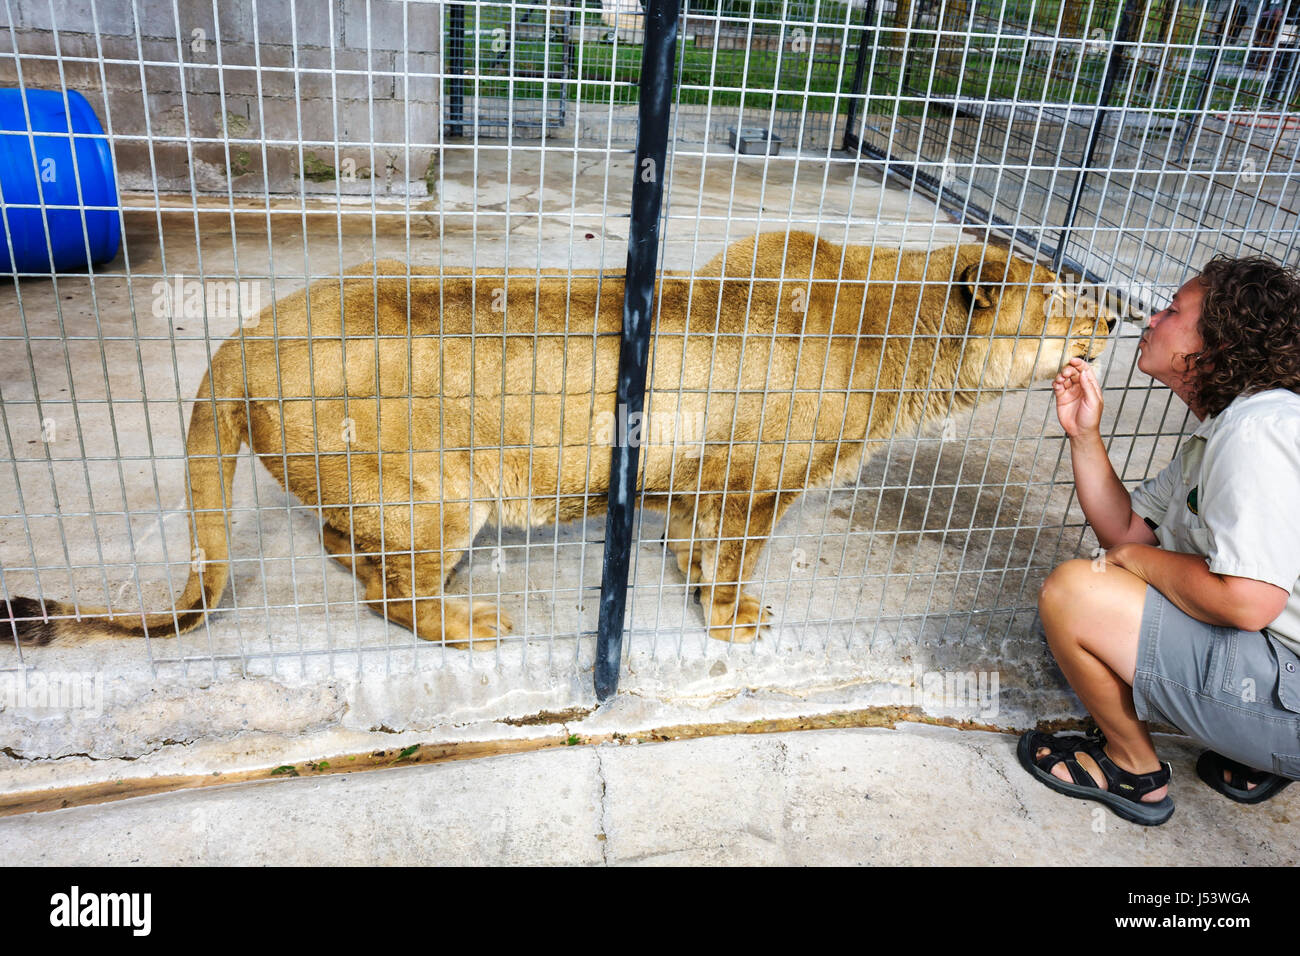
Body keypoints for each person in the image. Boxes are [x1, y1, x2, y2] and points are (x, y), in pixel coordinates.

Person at [1019, 253, 1300, 826]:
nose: (1151, 318)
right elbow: (1126, 528)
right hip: (1284, 677)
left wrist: (1136, 561)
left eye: (1173, 311)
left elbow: (1248, 600)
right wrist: (1084, 434)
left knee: (1076, 593)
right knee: (1115, 577)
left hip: (1289, 696)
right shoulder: (1230, 425)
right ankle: (1263, 754)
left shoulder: (1257, 433)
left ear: (1217, 344)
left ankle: (1132, 768)